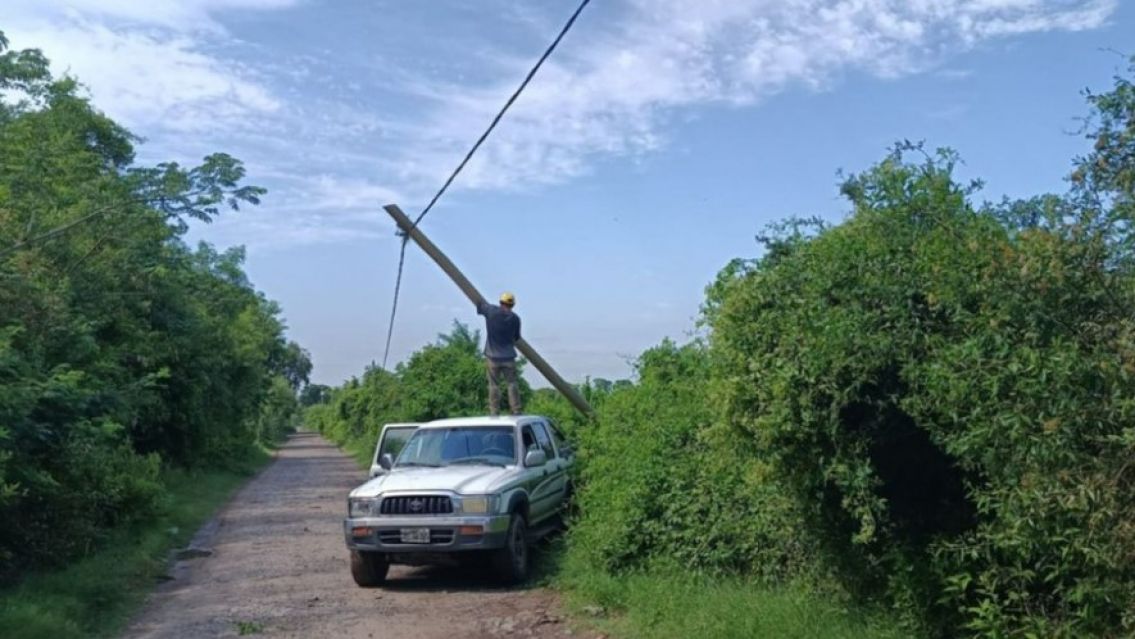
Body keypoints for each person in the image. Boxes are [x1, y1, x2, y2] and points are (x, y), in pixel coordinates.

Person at [477, 292, 521, 416]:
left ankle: (494, 411)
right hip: (509, 357)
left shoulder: (491, 312)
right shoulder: (515, 319)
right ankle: (516, 410)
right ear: (512, 305)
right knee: (512, 384)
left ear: (501, 302)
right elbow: (516, 338)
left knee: (493, 385)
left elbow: (480, 306)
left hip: (492, 357)